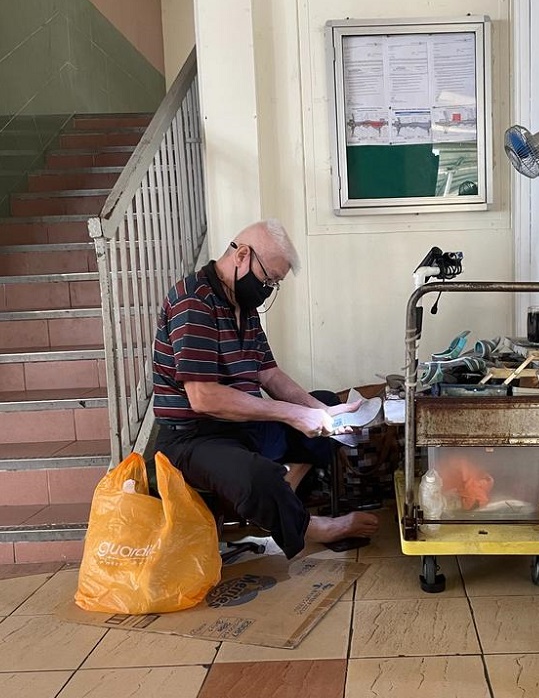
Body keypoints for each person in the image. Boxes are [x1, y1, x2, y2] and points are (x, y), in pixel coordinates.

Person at [151, 219, 380, 558]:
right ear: (242, 255)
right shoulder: (194, 302)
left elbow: (269, 374)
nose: (268, 288)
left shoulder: (244, 306)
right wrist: (292, 414)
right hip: (194, 438)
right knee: (258, 476)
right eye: (267, 278)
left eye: (275, 282)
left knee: (326, 406)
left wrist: (318, 411)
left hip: (244, 426)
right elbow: (204, 398)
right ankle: (314, 527)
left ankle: (279, 499)